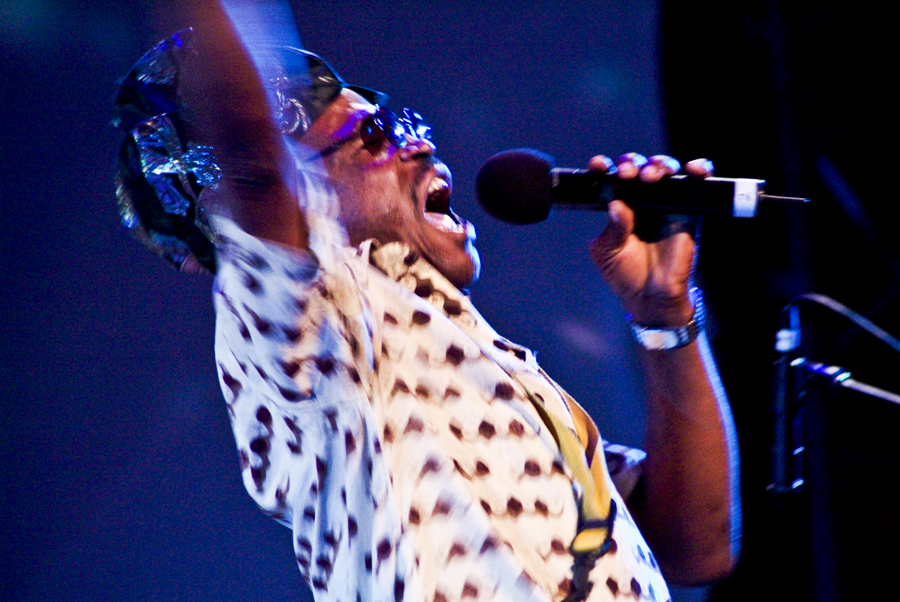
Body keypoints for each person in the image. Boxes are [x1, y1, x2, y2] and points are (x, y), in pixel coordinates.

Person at [114, 3, 739, 601]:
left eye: (409, 125)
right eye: (376, 135)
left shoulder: (502, 375)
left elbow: (696, 550)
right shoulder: (310, 330)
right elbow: (253, 158)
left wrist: (666, 316)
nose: (420, 146)